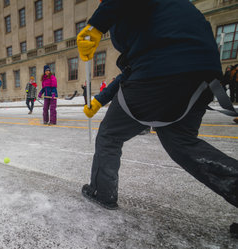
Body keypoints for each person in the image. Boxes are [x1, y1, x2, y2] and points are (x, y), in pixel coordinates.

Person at [77, 0, 238, 228]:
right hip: (203, 77)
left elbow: (148, 64)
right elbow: (132, 68)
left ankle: (102, 192)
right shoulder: (164, 14)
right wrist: (99, 100)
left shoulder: (129, 9)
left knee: (110, 135)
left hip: (161, 74)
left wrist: (96, 25)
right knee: (181, 143)